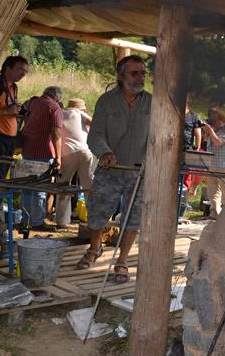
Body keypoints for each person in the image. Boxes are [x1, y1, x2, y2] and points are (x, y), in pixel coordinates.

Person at [77, 55, 151, 285]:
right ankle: (94, 248)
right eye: (134, 73)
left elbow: (160, 135)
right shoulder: (106, 102)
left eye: (142, 73)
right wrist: (105, 152)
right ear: (120, 76)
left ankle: (123, 260)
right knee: (98, 211)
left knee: (133, 217)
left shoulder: (153, 102)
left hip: (140, 172)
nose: (140, 78)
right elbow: (95, 134)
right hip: (109, 170)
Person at [20, 86, 64, 231]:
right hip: (43, 151)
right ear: (58, 98)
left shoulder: (33, 103)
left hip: (27, 148)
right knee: (39, 188)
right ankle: (37, 222)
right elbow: (57, 134)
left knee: (27, 187)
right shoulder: (54, 108)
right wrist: (58, 157)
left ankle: (25, 219)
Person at [0, 56, 28, 221]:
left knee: (1, 179)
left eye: (25, 72)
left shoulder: (13, 87)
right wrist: (6, 112)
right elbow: (2, 110)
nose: (23, 74)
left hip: (8, 139)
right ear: (8, 67)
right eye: (20, 70)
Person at [55, 98, 93, 228]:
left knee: (63, 185)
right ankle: (93, 218)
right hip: (84, 151)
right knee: (88, 186)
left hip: (68, 153)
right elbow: (93, 122)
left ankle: (62, 221)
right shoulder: (79, 113)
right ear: (81, 108)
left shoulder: (61, 114)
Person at [202, 108, 225, 219]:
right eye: (211, 113)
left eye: (214, 113)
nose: (211, 116)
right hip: (212, 164)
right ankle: (215, 214)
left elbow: (218, 142)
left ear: (220, 115)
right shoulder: (214, 126)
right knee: (212, 191)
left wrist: (209, 130)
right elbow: (205, 141)